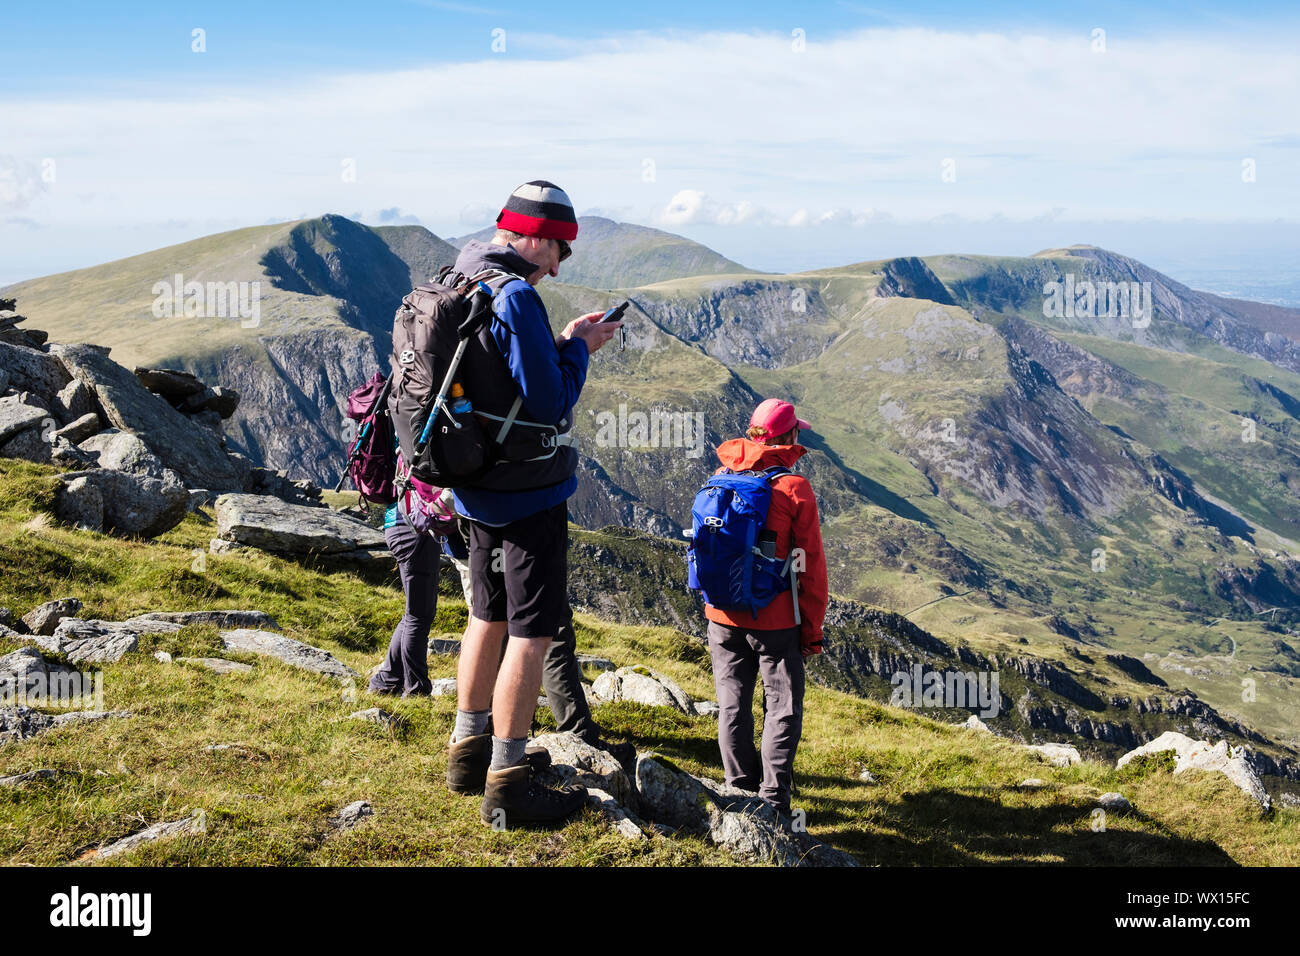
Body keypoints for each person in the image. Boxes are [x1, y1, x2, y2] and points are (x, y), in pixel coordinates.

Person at [444, 180, 621, 828]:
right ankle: (509, 782)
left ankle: (468, 750)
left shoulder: (464, 272)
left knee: (485, 616)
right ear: (536, 237)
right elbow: (550, 405)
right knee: (532, 630)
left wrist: (560, 342)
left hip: (477, 485)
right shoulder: (515, 295)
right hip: (528, 492)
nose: (559, 264)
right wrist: (579, 349)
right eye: (560, 250)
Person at [701, 398, 828, 818]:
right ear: (789, 437)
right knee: (783, 706)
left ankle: (738, 790)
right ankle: (773, 802)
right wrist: (811, 631)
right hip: (774, 621)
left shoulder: (720, 475)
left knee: (732, 703)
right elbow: (810, 569)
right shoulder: (794, 489)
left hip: (720, 615)